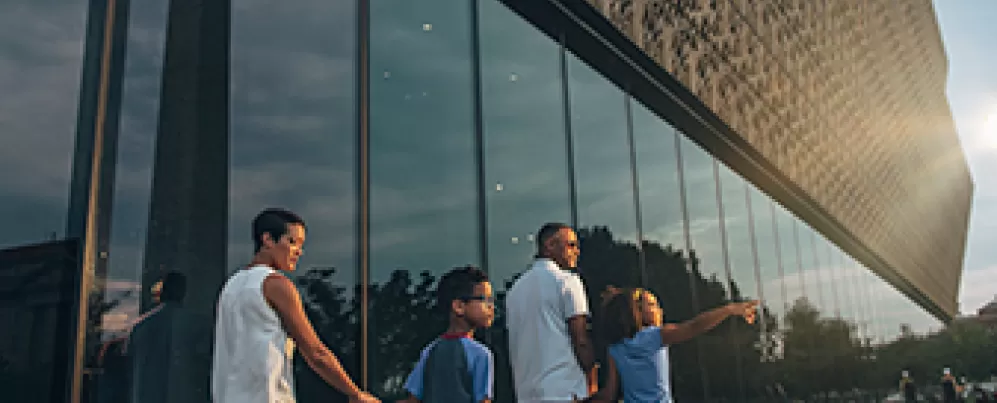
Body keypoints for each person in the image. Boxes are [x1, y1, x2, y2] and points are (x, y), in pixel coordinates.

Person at [211, 208, 378, 403]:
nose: (299, 251)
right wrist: (355, 394)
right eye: (292, 242)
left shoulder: (231, 287)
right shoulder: (276, 285)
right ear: (267, 240)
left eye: (301, 245)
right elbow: (315, 352)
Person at [580, 287, 757, 403]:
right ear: (637, 312)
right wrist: (729, 310)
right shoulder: (656, 336)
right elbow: (694, 326)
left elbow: (609, 394)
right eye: (653, 305)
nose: (660, 310)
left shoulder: (615, 348)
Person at [506, 223, 596, 403]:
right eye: (571, 245)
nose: (577, 251)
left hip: (526, 393)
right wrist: (592, 377)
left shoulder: (514, 290)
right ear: (550, 245)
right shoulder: (568, 281)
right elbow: (581, 339)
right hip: (564, 389)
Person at [397, 266, 496, 403]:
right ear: (459, 307)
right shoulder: (481, 354)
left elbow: (412, 400)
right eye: (485, 299)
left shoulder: (430, 351)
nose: (492, 306)